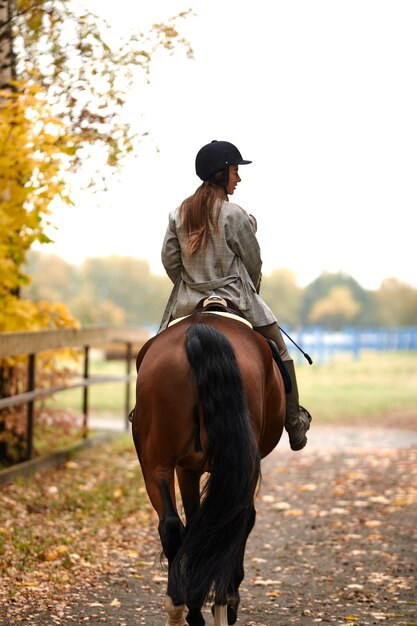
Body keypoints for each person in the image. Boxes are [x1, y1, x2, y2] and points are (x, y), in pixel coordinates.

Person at [159, 140, 311, 451]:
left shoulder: (178, 214)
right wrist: (248, 291)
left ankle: (142, 409)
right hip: (235, 299)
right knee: (280, 354)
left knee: (154, 351)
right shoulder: (235, 215)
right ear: (219, 174)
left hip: (189, 303)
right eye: (234, 171)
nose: (238, 178)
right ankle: (294, 426)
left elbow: (170, 261)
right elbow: (254, 262)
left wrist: (192, 285)